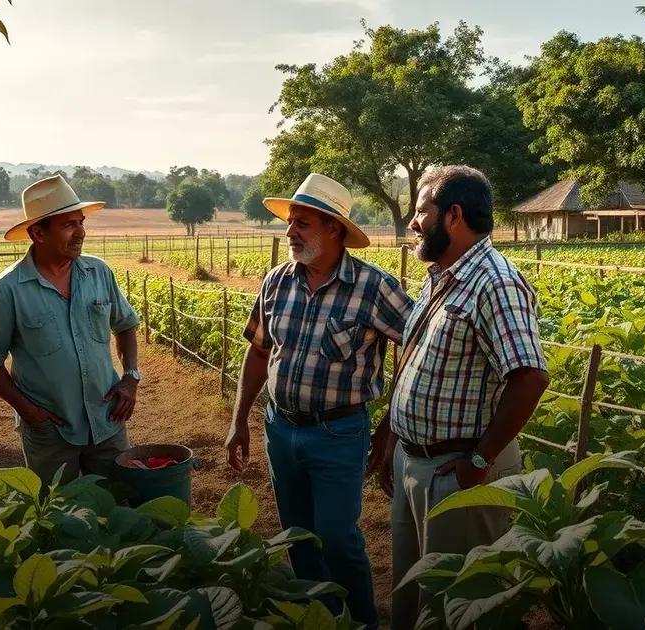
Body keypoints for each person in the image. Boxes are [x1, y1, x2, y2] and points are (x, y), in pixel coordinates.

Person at [225, 173, 412, 628]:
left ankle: (362, 619)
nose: (290, 232)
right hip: (280, 426)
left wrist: (389, 423)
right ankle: (320, 616)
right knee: (298, 536)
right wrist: (240, 419)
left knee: (336, 537)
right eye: (291, 222)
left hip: (339, 432)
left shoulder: (373, 287)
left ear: (333, 229)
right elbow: (258, 350)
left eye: (302, 223)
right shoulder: (276, 282)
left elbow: (418, 343)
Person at [366, 165, 549, 626]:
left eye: (421, 211)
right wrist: (392, 433)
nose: (413, 221)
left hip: (457, 470)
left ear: (453, 215)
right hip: (416, 461)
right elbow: (415, 362)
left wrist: (481, 462)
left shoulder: (495, 282)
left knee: (455, 603)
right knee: (412, 592)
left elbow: (528, 377)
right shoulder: (439, 276)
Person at [0, 174, 142, 486]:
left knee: (117, 503)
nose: (81, 232)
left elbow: (126, 324)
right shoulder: (6, 291)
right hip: (50, 431)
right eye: (68, 225)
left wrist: (130, 377)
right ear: (37, 232)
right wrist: (29, 412)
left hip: (107, 420)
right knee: (57, 512)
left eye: (80, 222)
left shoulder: (99, 272)